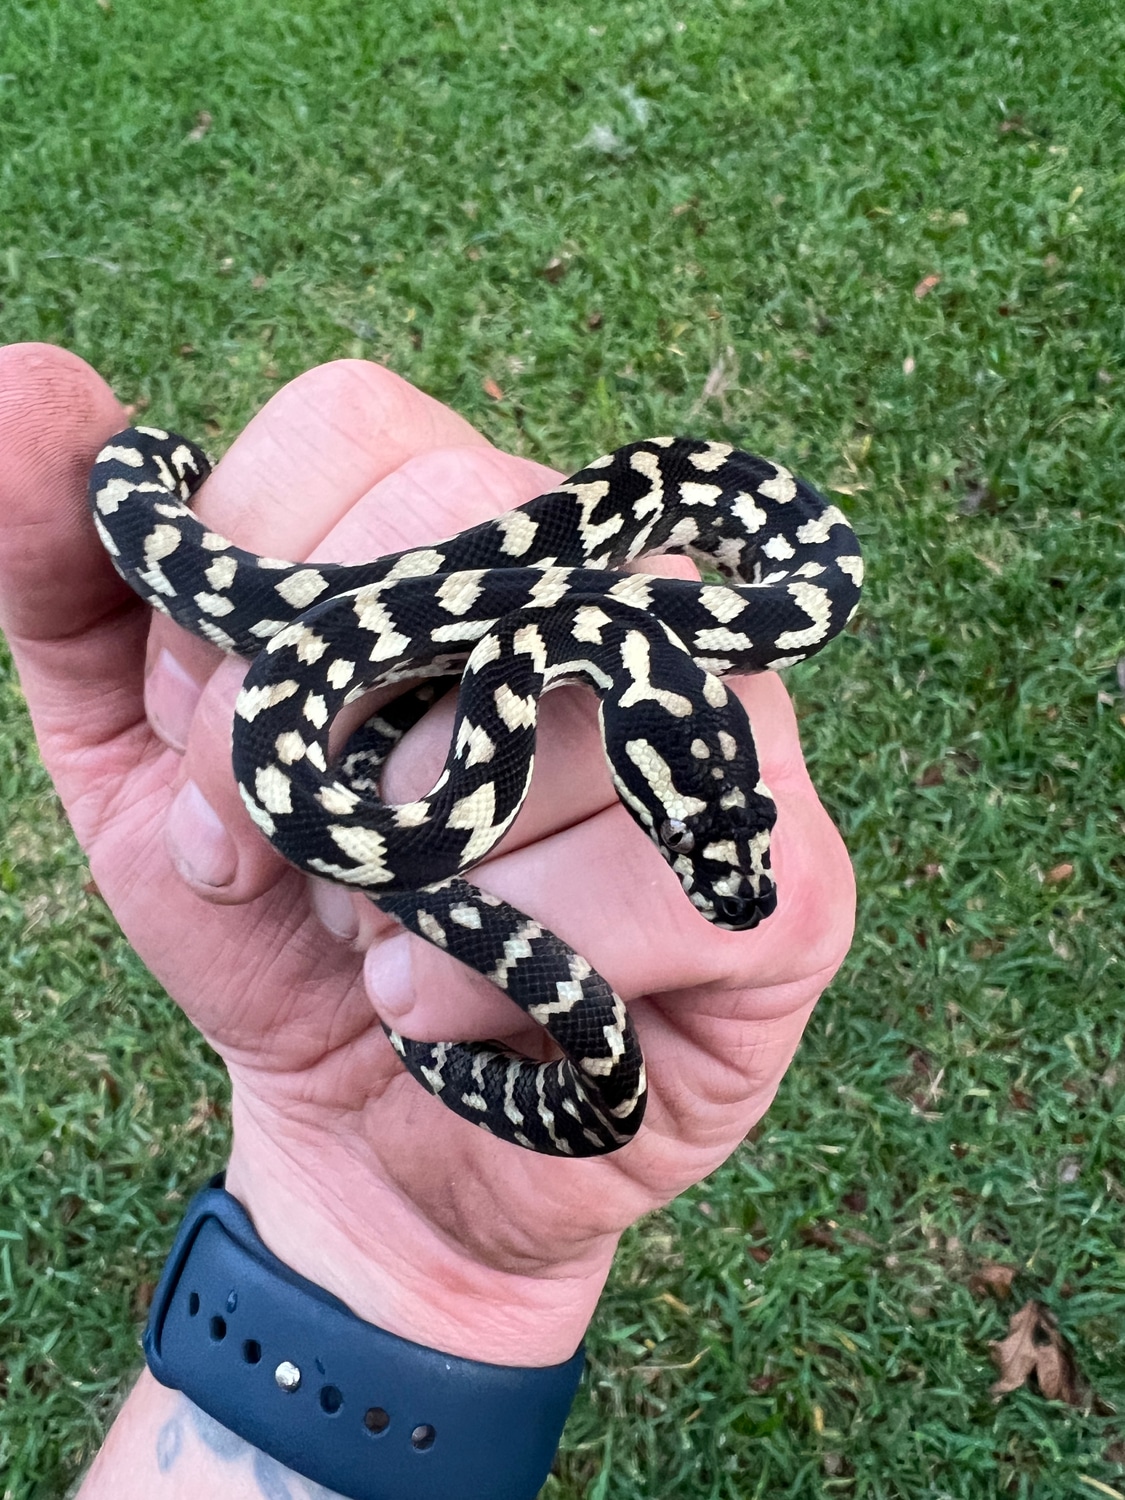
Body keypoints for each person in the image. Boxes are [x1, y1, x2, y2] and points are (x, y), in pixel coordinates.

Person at [0, 344, 856, 1499]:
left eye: (721, 829)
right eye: (695, 835)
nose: (715, 868)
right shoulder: (570, 656)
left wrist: (420, 1274)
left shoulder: (630, 641)